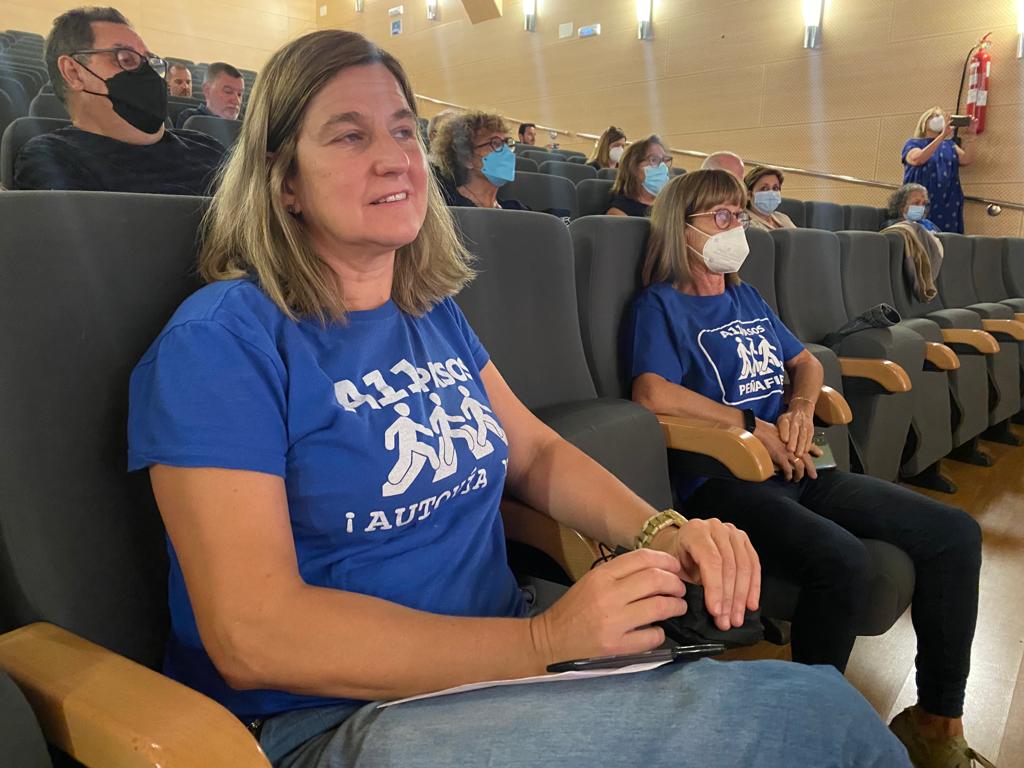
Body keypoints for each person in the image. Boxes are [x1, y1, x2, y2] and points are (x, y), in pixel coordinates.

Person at [126, 29, 910, 768]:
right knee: (822, 719)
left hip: (504, 651)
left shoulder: (428, 314)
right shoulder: (222, 343)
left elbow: (532, 452)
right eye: (349, 134)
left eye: (403, 130)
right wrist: (542, 643)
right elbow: (253, 634)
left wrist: (660, 529)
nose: (395, 158)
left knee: (804, 717)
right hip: (336, 717)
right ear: (283, 180)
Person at [626, 168, 988, 768]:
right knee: (844, 560)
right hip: (722, 481)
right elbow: (651, 393)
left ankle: (937, 721)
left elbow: (807, 364)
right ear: (681, 228)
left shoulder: (745, 296)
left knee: (955, 534)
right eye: (721, 217)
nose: (735, 227)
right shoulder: (660, 305)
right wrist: (748, 425)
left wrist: (796, 409)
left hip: (797, 466)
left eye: (739, 215)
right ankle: (811, 735)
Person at [14, 6, 224, 194]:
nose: (148, 72)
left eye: (152, 62)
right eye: (126, 59)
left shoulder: (207, 146)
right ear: (74, 72)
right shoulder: (53, 157)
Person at [902, 107, 978, 234]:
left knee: (947, 239)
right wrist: (942, 137)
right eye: (934, 116)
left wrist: (972, 135)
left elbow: (966, 159)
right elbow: (917, 159)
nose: (939, 119)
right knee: (915, 234)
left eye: (941, 116)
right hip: (918, 199)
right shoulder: (913, 143)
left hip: (948, 199)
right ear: (924, 123)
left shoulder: (950, 145)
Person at [431, 110, 527, 210]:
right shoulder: (447, 209)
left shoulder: (517, 210)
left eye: (507, 143)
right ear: (466, 158)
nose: (507, 152)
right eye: (495, 143)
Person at [606, 135, 671, 217]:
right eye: (654, 160)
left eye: (664, 160)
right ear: (633, 168)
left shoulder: (671, 206)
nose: (662, 166)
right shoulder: (619, 212)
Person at [174, 61, 244, 127]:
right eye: (228, 91)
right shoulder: (190, 120)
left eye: (239, 94)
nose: (237, 101)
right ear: (207, 90)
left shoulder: (244, 126)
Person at [744, 165, 796, 231]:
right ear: (749, 195)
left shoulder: (783, 218)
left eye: (775, 188)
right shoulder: (745, 223)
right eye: (764, 188)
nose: (771, 193)